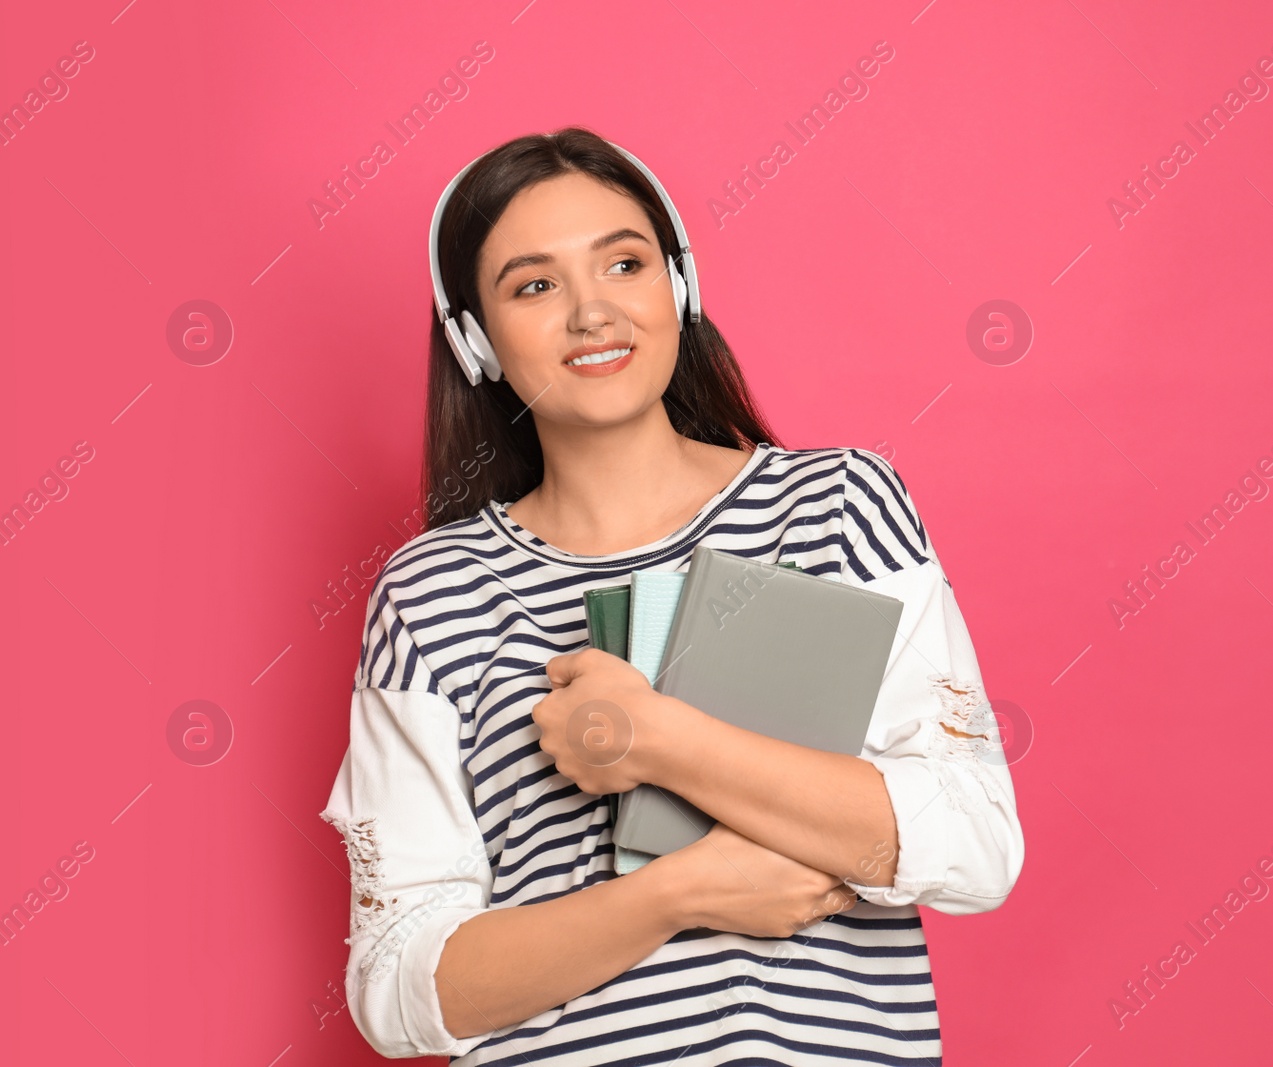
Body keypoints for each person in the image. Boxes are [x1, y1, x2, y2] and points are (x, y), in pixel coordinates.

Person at [317, 125, 1024, 1065]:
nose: (590, 313)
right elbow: (396, 990)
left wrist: (660, 739)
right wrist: (674, 895)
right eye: (535, 285)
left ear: (678, 288)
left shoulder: (835, 505)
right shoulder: (429, 594)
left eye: (624, 264)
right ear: (475, 340)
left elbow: (976, 843)